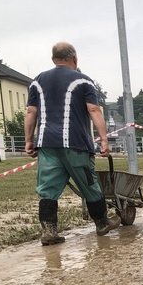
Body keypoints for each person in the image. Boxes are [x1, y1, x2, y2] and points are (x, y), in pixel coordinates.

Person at [24, 41, 118, 246]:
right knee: (89, 183)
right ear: (74, 58)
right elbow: (94, 110)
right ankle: (102, 223)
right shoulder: (83, 81)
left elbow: (31, 112)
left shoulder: (37, 82)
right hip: (75, 143)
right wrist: (104, 140)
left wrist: (29, 140)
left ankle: (49, 231)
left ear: (53, 59)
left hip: (47, 143)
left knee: (47, 188)